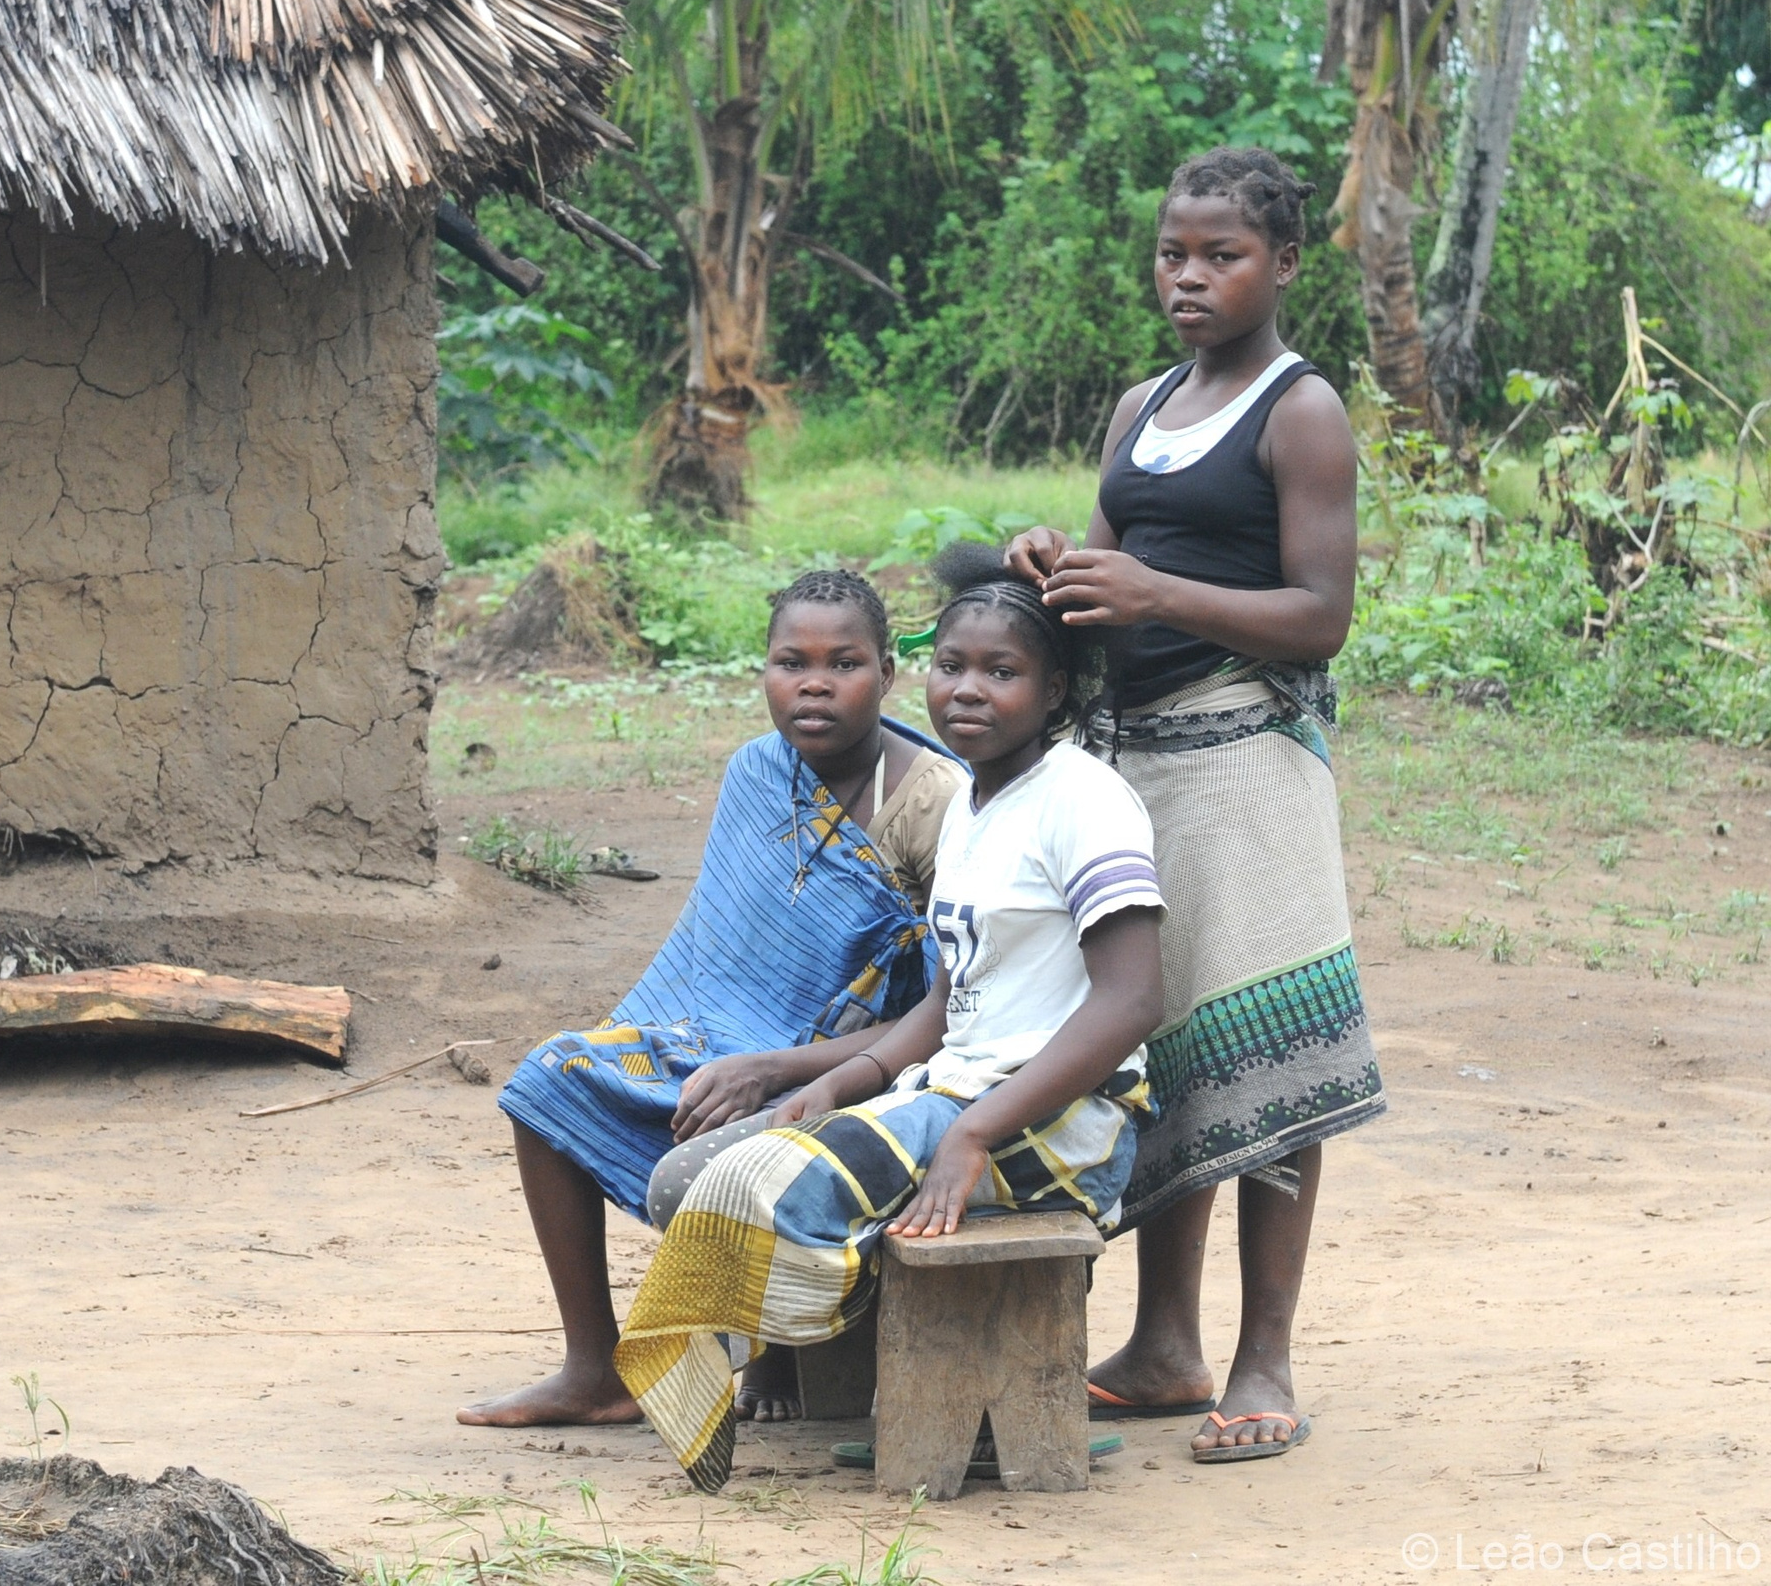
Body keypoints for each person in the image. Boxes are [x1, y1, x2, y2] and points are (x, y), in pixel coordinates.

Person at [616, 544, 1165, 1492]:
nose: (969, 691)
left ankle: (923, 1392)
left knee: (760, 1193)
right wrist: (834, 1083)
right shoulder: (974, 805)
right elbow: (951, 1002)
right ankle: (867, 1371)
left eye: (1003, 672)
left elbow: (1131, 999)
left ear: (1058, 688)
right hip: (949, 1092)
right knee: (687, 1180)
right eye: (953, 665)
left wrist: (976, 1133)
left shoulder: (1084, 799)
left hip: (1060, 1124)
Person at [1004, 144, 1386, 1465]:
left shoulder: (1301, 410)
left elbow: (1321, 616)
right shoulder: (1140, 404)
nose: (1190, 276)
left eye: (1221, 255)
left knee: (1267, 1055)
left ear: (1283, 264)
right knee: (1157, 1047)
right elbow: (1122, 545)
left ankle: (1262, 1354)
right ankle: (1164, 1341)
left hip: (1249, 769)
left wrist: (1155, 595)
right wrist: (1059, 560)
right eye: (1175, 252)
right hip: (1135, 761)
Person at [457, 570, 963, 1428]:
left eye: (843, 662)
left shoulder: (937, 802)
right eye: (789, 661)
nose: (813, 682)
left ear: (887, 670)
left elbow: (947, 1009)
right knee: (549, 1079)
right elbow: (717, 953)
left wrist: (770, 1066)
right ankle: (597, 1367)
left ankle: (768, 1343)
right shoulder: (757, 773)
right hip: (722, 1040)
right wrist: (722, 1054)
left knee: (743, 1140)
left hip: (866, 1069)